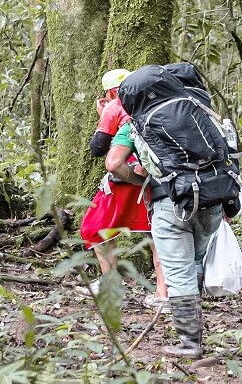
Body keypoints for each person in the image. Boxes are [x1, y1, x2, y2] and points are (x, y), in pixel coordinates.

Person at [108, 120, 221, 359]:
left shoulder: (135, 122)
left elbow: (114, 164)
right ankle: (196, 331)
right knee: (196, 261)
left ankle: (190, 342)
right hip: (212, 198)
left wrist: (145, 182)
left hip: (170, 202)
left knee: (180, 273)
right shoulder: (198, 111)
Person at [77, 69, 170, 313]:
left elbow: (97, 148)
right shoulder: (156, 103)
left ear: (110, 91)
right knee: (156, 235)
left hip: (124, 181)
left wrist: (103, 113)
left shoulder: (115, 106)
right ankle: (164, 293)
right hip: (157, 181)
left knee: (93, 227)